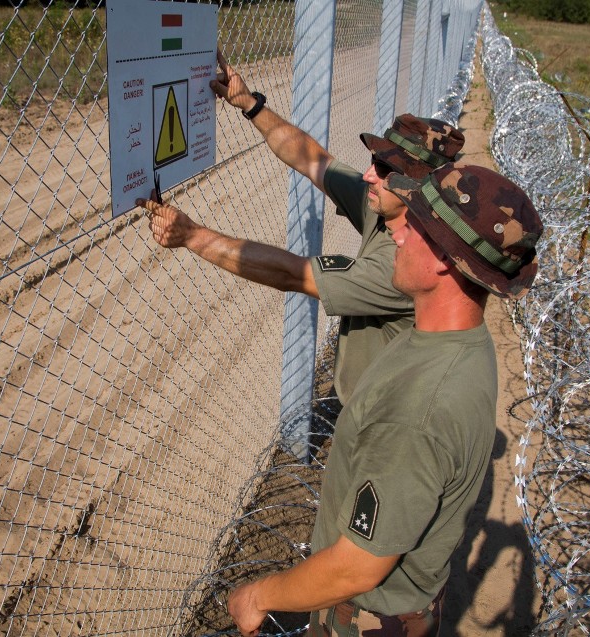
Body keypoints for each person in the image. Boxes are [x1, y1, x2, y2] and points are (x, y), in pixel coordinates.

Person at [226, 163, 543, 637]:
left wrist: (257, 597)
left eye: (414, 225)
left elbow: (358, 568)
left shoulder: (418, 410)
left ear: (443, 259)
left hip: (369, 615)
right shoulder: (458, 342)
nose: (397, 234)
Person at [137, 49, 465, 404]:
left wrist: (192, 236)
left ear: (416, 187)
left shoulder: (406, 263)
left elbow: (293, 274)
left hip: (385, 413)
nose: (369, 175)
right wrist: (251, 105)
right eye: (375, 163)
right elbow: (313, 160)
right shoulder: (394, 206)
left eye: (385, 171)